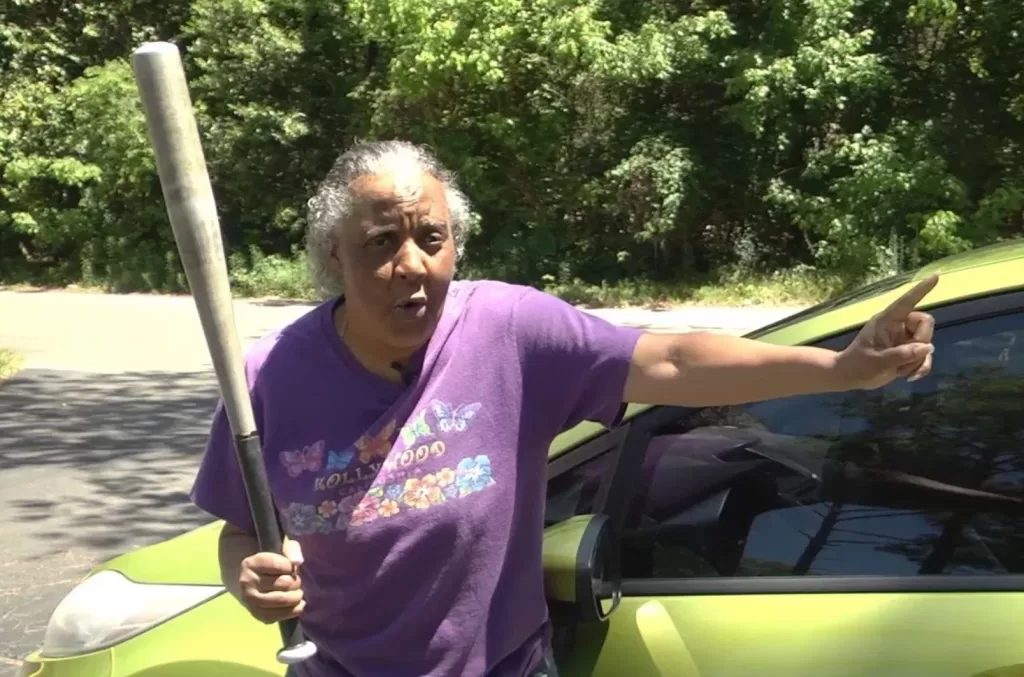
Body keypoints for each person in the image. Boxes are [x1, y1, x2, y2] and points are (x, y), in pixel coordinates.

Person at [189, 139, 938, 677]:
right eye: (381, 241)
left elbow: (672, 361)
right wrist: (246, 576)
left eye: (432, 237)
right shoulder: (269, 375)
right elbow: (243, 528)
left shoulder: (509, 332)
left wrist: (839, 366)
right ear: (334, 258)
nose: (411, 263)